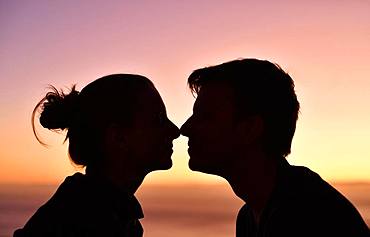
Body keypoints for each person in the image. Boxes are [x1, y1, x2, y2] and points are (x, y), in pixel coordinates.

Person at [180, 59, 370, 236]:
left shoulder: (306, 216)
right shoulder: (251, 216)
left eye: (205, 116)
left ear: (250, 128)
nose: (185, 128)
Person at [14, 74, 180, 237]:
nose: (175, 131)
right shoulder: (83, 221)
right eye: (159, 119)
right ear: (118, 137)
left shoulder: (103, 211)